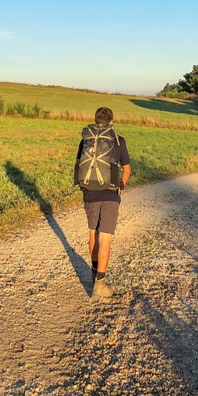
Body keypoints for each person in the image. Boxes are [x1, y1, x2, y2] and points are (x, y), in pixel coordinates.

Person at [75, 107, 131, 298]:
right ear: (112, 122)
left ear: (95, 120)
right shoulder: (117, 140)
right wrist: (121, 185)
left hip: (90, 191)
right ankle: (101, 284)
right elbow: (127, 169)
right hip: (110, 194)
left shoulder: (87, 138)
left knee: (93, 234)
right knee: (105, 238)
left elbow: (79, 165)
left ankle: (93, 272)